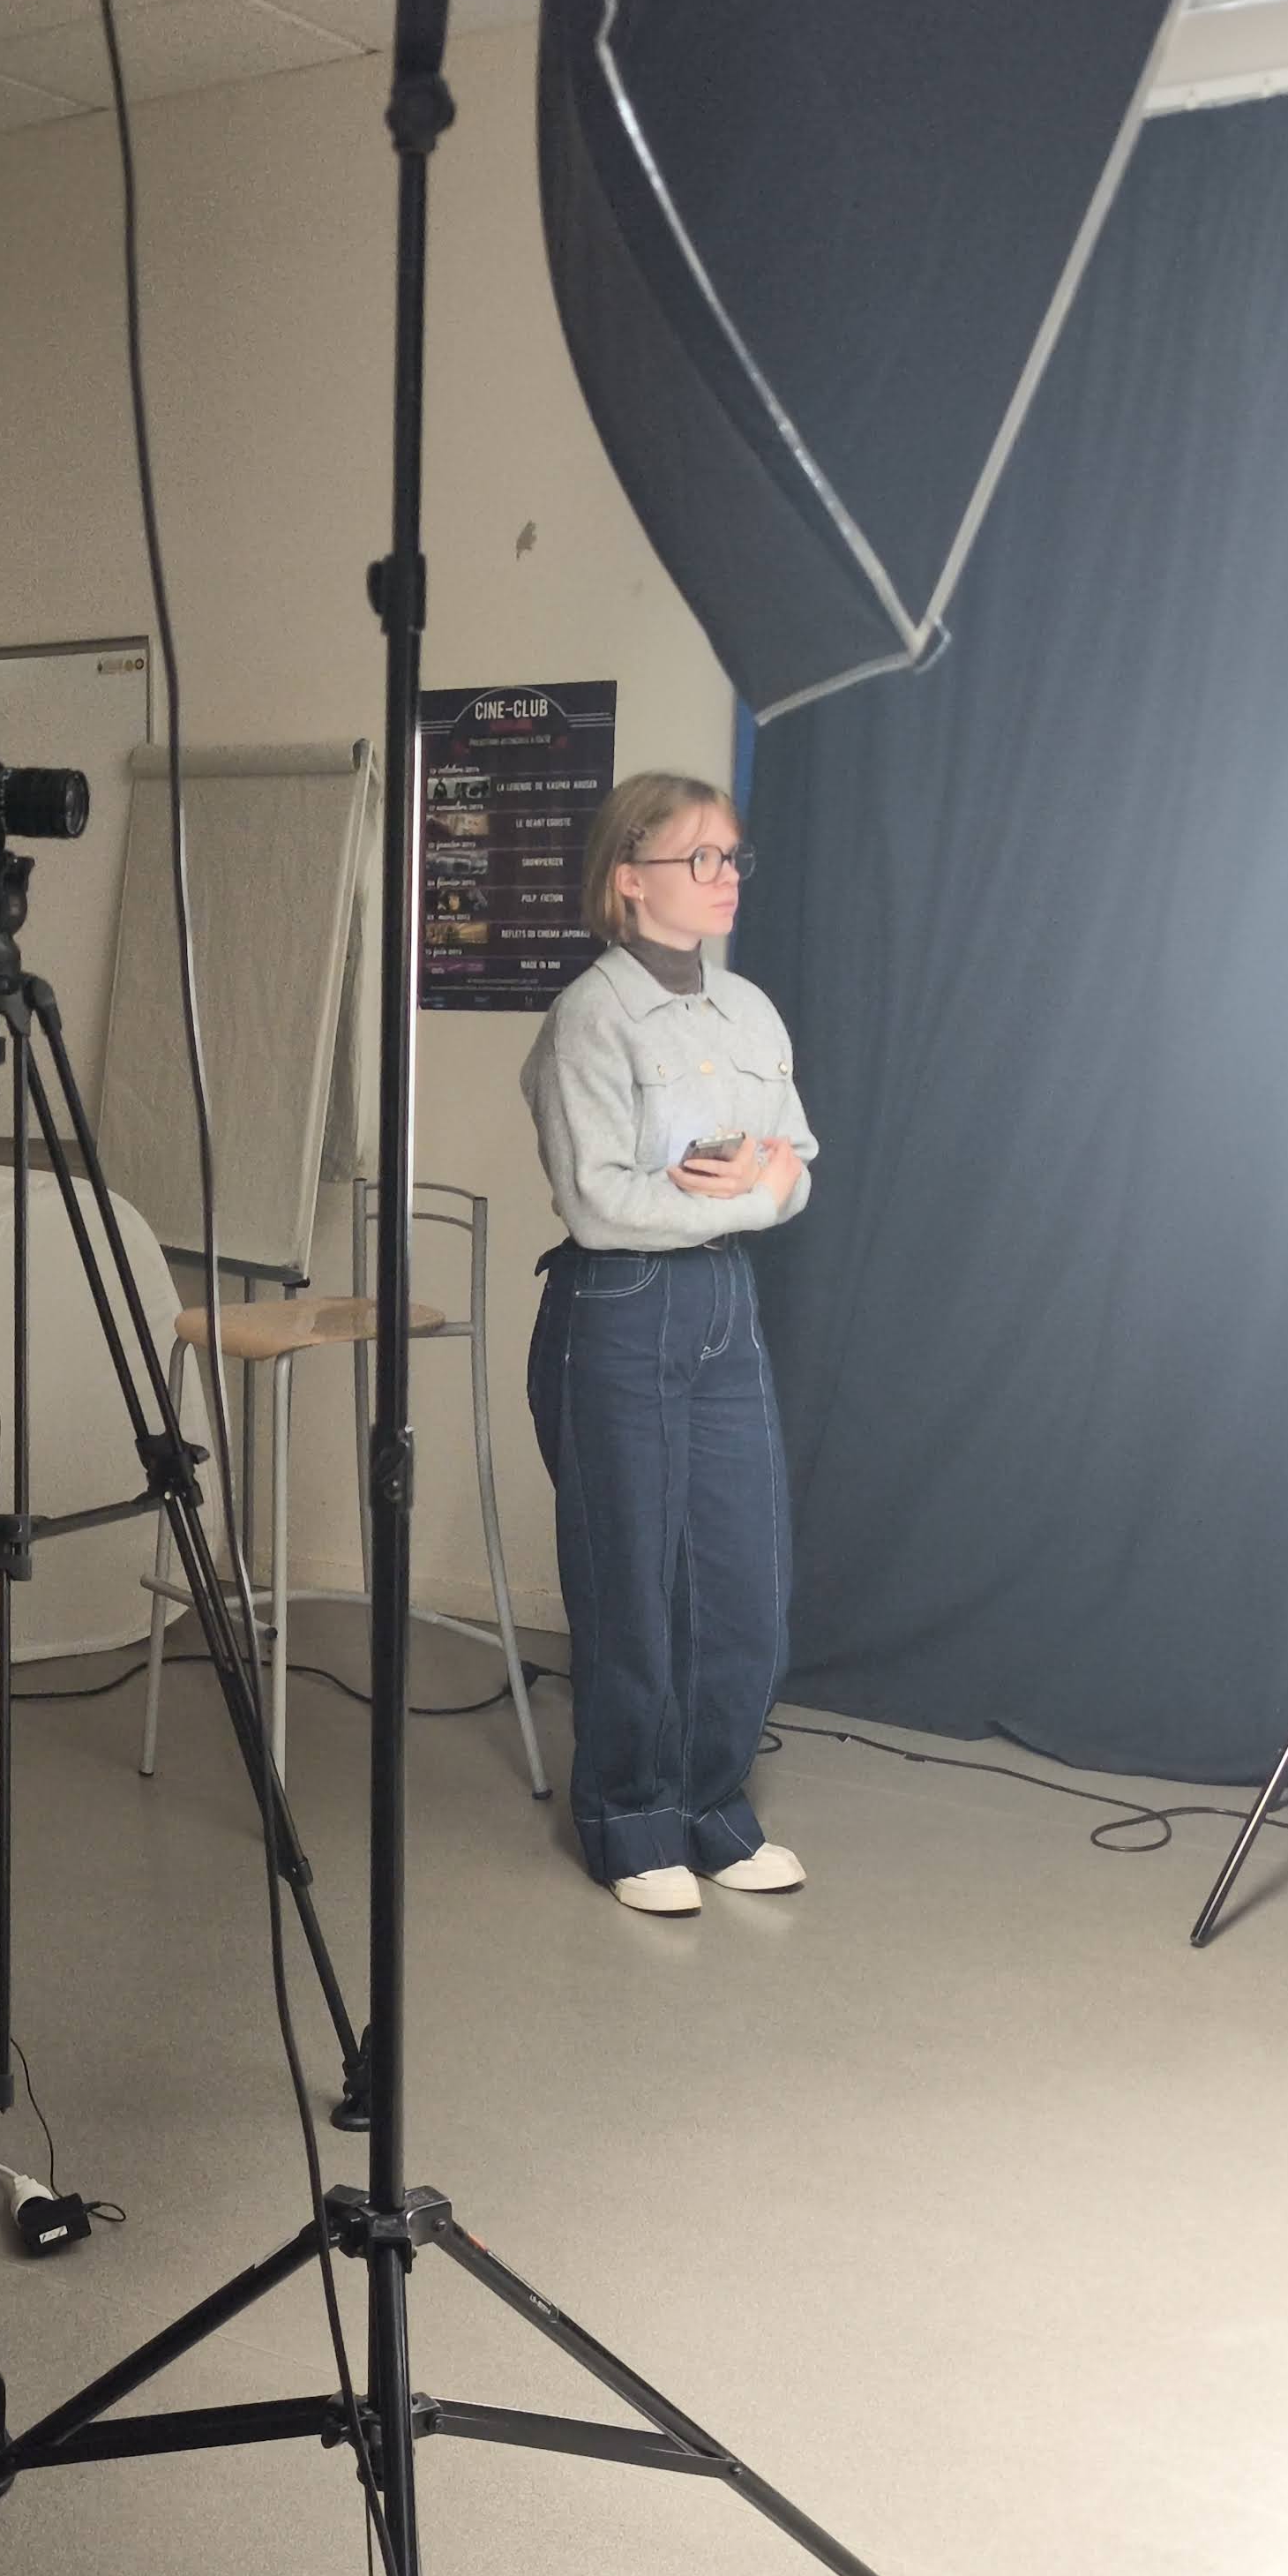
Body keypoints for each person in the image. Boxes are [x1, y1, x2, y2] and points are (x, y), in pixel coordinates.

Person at [518, 771, 818, 1918]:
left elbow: (796, 1165)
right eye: (700, 859)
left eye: (732, 857)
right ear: (628, 878)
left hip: (723, 1303)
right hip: (619, 1305)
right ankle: (631, 1819)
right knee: (631, 1580)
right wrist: (749, 1189)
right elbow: (600, 1204)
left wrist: (751, 1187)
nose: (725, 877)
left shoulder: (748, 1011)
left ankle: (711, 1809)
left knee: (745, 1578)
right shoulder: (590, 1017)